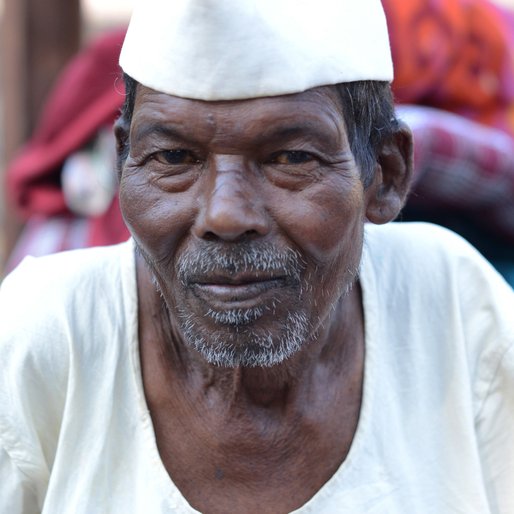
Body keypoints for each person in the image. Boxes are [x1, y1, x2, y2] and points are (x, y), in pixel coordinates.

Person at [0, 0, 513, 512]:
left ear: (385, 174)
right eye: (174, 158)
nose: (224, 216)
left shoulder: (454, 306)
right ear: (123, 162)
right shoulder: (45, 333)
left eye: (291, 157)